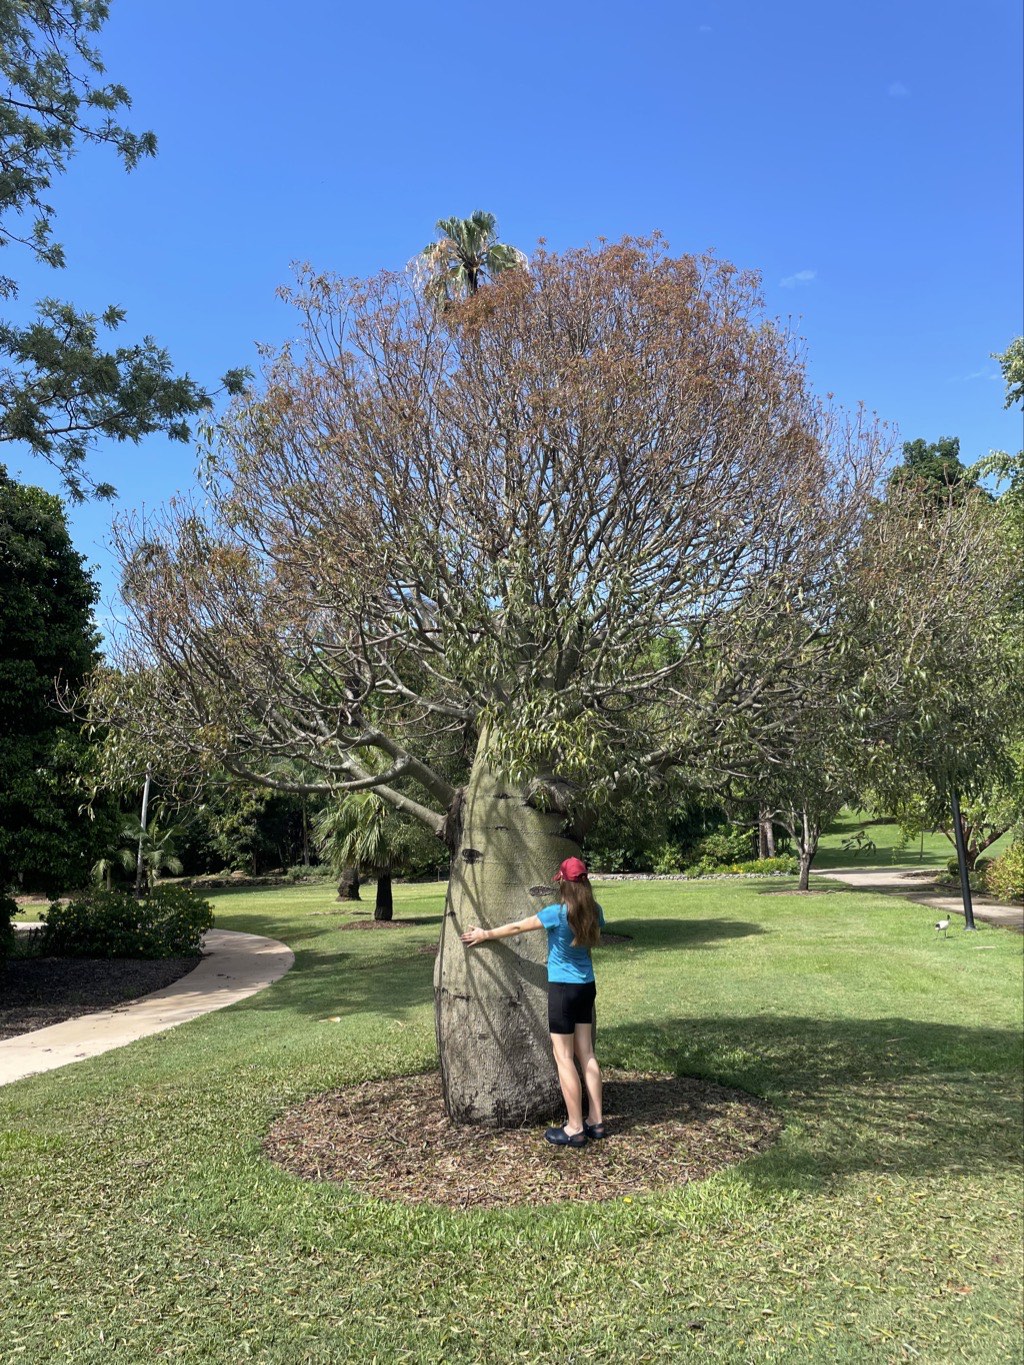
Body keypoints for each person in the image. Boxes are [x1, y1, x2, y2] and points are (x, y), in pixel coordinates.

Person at [460, 856, 605, 1147]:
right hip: (587, 987)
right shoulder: (595, 912)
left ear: (562, 883)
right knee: (586, 1054)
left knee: (564, 1058)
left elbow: (517, 928)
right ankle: (596, 1122)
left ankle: (575, 1127)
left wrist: (484, 934)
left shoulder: (557, 913)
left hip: (563, 990)